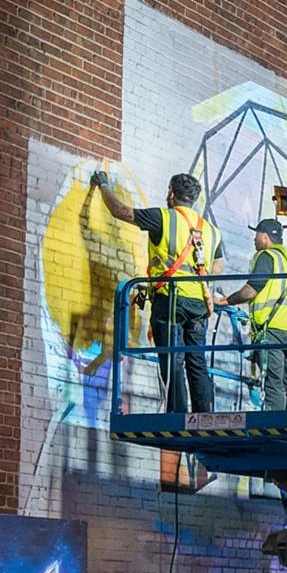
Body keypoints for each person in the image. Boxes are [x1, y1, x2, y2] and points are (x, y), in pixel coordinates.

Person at [91, 170, 223, 412]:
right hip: (200, 303)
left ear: (171, 193)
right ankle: (204, 414)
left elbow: (120, 211)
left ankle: (178, 414)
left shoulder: (162, 217)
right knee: (197, 361)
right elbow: (218, 264)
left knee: (172, 358)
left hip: (171, 300)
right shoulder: (211, 230)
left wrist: (103, 185)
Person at [219, 218, 287, 411]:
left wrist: (226, 300)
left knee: (273, 383)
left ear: (265, 237)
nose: (254, 239)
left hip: (272, 331)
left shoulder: (267, 256)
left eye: (257, 234)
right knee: (285, 383)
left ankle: (275, 424)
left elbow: (251, 290)